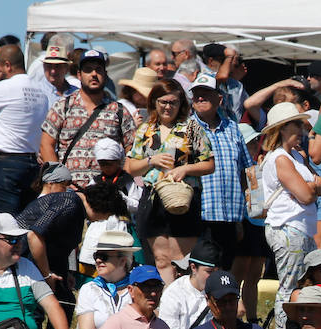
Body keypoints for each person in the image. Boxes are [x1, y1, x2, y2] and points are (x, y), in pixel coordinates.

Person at [124, 77, 214, 281]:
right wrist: (151, 160)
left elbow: (209, 164)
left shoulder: (191, 128)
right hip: (153, 199)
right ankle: (164, 308)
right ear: (154, 102)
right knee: (161, 259)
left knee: (181, 259)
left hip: (182, 199)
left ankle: (184, 306)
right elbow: (130, 167)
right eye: (163, 101)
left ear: (181, 104)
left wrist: (187, 169)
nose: (167, 106)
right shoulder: (145, 130)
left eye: (173, 102)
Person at [258, 102, 319, 329]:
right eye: (296, 123)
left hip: (300, 228)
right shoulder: (280, 158)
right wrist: (313, 188)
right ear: (283, 128)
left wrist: (313, 187)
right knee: (289, 286)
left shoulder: (295, 156)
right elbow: (305, 194)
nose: (302, 128)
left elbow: (317, 186)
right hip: (287, 228)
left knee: (300, 286)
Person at [0, 42, 51, 216]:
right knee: (26, 221)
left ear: (7, 65)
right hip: (31, 163)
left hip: (5, 163)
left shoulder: (4, 88)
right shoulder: (41, 92)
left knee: (5, 224)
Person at [40, 46, 135, 187]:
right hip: (70, 192)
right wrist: (60, 181)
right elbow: (46, 145)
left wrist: (119, 179)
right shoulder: (63, 106)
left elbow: (132, 151)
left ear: (106, 74)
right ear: (79, 75)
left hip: (106, 192)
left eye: (98, 70)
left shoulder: (119, 111)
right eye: (88, 70)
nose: (94, 74)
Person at [191, 73, 254, 270]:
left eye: (206, 93)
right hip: (199, 217)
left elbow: (246, 171)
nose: (200, 98)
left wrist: (243, 215)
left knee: (224, 272)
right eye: (197, 95)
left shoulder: (233, 129)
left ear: (219, 99)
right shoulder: (186, 128)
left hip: (231, 216)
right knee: (201, 272)